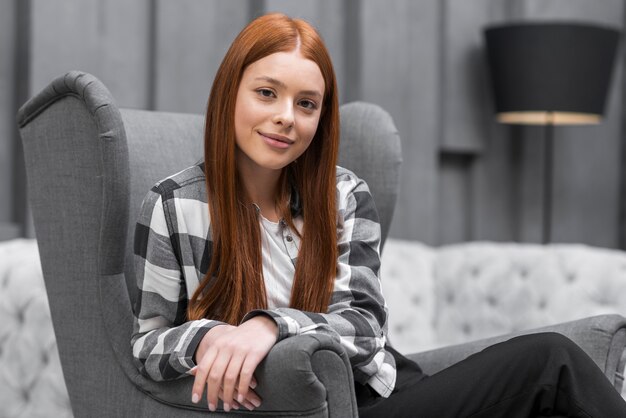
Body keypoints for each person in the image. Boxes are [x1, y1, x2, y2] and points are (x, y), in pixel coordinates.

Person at [131, 12, 626, 417]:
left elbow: (366, 329)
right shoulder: (175, 204)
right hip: (319, 407)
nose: (287, 116)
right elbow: (148, 343)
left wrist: (269, 326)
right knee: (551, 360)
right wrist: (213, 334)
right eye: (266, 93)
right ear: (229, 94)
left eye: (307, 104)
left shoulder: (342, 195)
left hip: (381, 390)